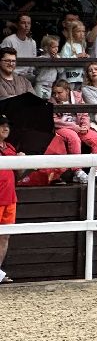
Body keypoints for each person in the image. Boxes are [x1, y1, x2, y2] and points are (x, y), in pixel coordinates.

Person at [0, 114, 16, 282]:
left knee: (5, 236)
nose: (5, 128)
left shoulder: (10, 147)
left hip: (10, 198)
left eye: (7, 125)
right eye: (2, 125)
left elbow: (19, 173)